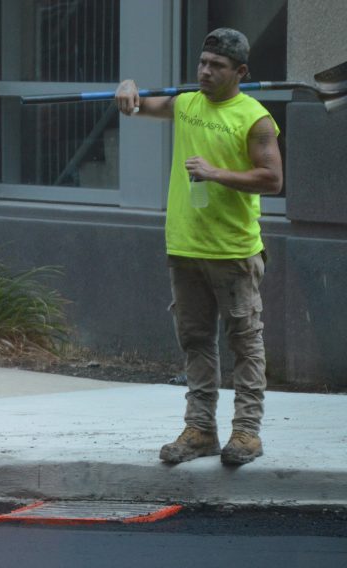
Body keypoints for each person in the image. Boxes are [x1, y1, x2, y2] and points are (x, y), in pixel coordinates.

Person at [115, 28, 282, 466]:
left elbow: (272, 179)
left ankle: (246, 433)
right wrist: (128, 89)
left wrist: (215, 172)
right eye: (202, 63)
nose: (205, 71)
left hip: (233, 251)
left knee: (245, 342)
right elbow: (137, 105)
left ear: (240, 71)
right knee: (195, 341)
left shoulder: (255, 118)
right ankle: (200, 430)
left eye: (217, 66)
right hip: (185, 248)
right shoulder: (186, 102)